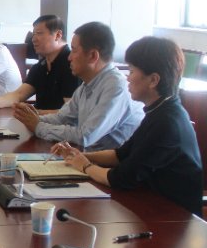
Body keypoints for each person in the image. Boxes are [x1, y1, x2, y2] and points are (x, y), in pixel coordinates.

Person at [52, 37, 203, 216]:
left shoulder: (167, 122)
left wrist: (85, 166)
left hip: (174, 216)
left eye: (131, 71)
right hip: (151, 203)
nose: (127, 78)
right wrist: (79, 156)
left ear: (153, 80)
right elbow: (121, 155)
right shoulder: (160, 110)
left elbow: (121, 178)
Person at [15, 21, 143, 151]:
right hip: (85, 155)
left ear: (93, 56)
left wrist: (38, 126)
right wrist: (30, 119)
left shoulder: (115, 87)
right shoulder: (87, 85)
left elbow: (85, 136)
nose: (69, 57)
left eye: (74, 50)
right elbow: (62, 118)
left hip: (106, 162)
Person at [0, 15, 80, 112]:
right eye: (34, 34)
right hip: (38, 119)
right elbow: (19, 94)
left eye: (39, 33)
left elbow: (71, 113)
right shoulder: (40, 66)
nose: (33, 39)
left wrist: (36, 114)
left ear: (58, 35)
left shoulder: (72, 65)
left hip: (52, 121)